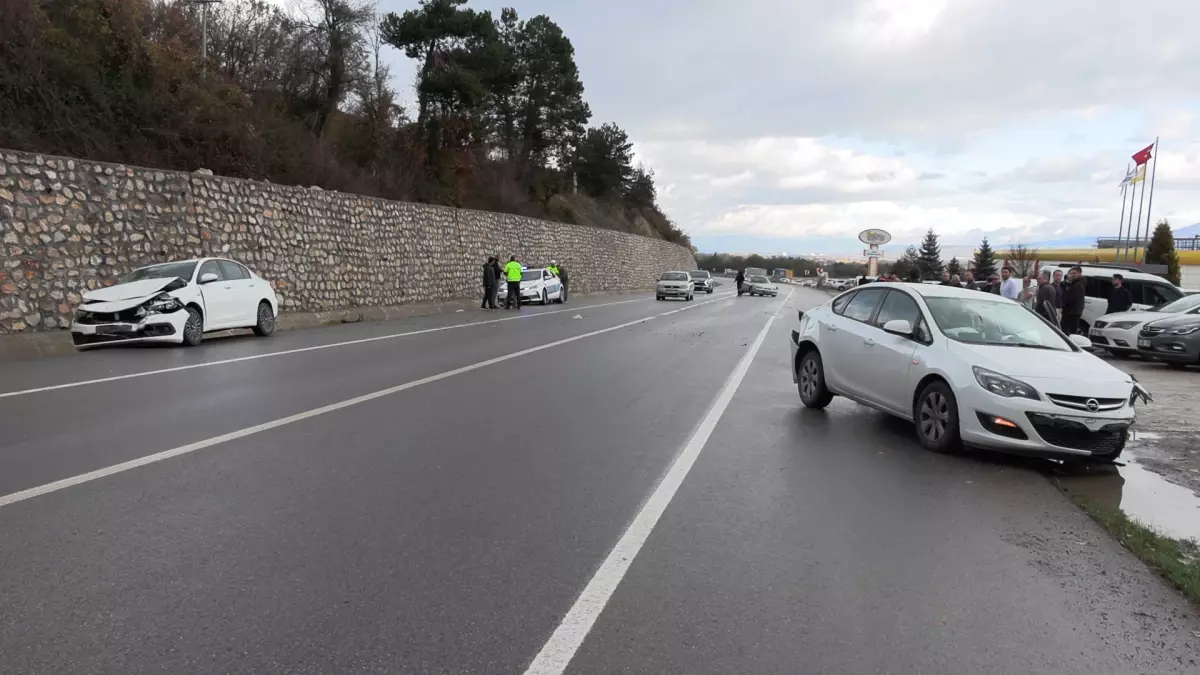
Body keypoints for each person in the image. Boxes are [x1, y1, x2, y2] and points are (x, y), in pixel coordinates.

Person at [1060, 265, 1086, 334]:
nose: (1072, 275)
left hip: (1072, 312)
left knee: (1068, 331)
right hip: (1071, 312)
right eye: (1071, 273)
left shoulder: (1078, 284)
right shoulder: (1074, 283)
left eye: (1074, 273)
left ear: (1079, 274)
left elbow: (1069, 298)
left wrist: (1063, 303)